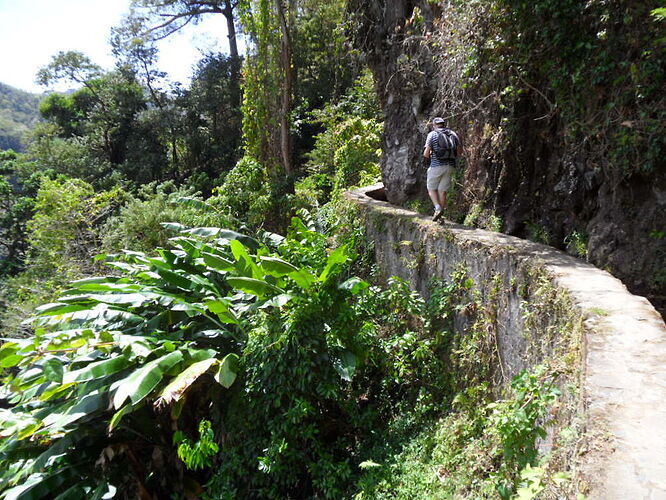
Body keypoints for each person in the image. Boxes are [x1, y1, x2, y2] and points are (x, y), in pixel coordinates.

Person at [423, 117, 460, 221]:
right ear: (444, 124)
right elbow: (459, 152)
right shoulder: (453, 134)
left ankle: (438, 208)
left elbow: (426, 153)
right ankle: (441, 217)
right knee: (442, 191)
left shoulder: (432, 134)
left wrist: (430, 155)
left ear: (434, 125)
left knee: (431, 188)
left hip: (436, 166)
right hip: (450, 166)